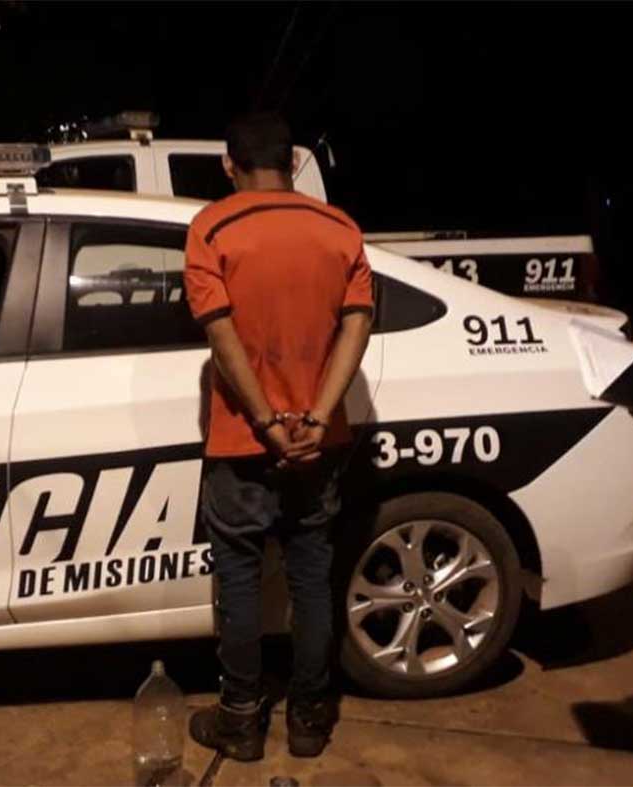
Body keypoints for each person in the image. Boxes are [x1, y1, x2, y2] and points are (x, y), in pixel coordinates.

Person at [183, 112, 374, 761]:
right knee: (311, 577)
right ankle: (309, 720)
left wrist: (266, 421)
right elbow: (357, 324)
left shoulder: (211, 228)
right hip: (319, 442)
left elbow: (222, 335)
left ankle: (240, 720)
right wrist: (315, 417)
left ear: (228, 164)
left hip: (244, 440)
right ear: (293, 163)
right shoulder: (340, 228)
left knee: (239, 579)